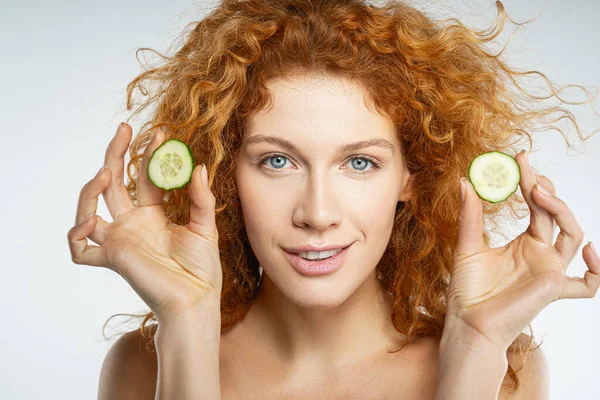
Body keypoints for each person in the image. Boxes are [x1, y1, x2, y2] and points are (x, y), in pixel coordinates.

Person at [67, 0, 599, 398]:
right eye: (277, 161)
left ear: (413, 175)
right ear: (226, 174)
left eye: (359, 163)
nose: (317, 214)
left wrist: (476, 346)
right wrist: (186, 326)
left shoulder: (506, 367)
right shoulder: (142, 367)